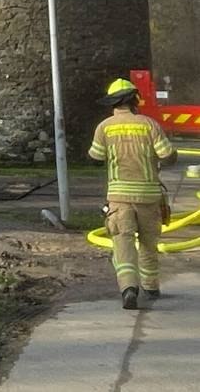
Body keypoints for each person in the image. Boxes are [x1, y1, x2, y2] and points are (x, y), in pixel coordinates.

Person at [88, 77, 177, 310]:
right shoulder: (149, 125)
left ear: (113, 104)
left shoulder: (104, 127)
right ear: (135, 100)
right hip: (149, 197)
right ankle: (151, 286)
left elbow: (94, 157)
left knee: (123, 244)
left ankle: (129, 288)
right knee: (148, 244)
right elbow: (167, 156)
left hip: (119, 198)